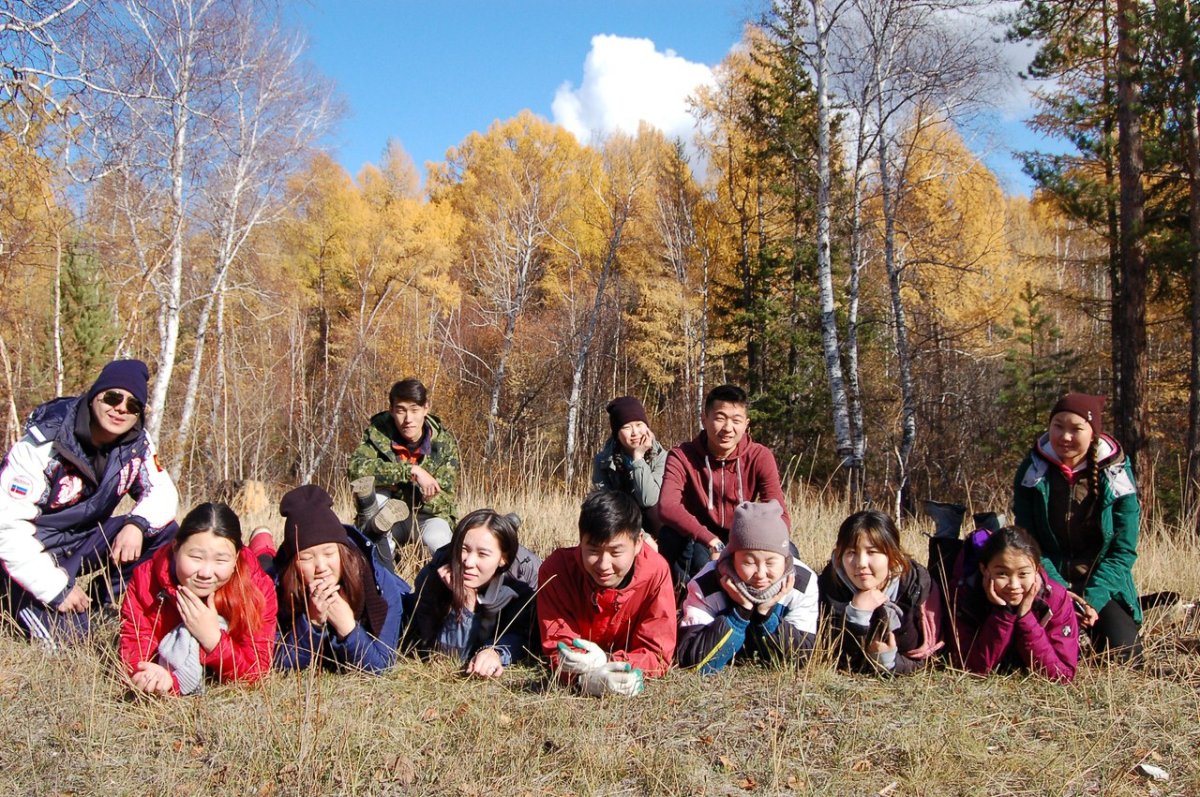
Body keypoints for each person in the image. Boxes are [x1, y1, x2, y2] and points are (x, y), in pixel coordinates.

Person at [0, 359, 179, 643]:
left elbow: (163, 493)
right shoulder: (44, 442)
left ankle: (98, 601)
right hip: (22, 554)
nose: (121, 408)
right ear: (95, 395)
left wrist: (137, 524)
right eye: (113, 397)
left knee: (166, 533)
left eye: (132, 405)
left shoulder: (136, 444)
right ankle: (19, 603)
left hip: (76, 544)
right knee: (73, 641)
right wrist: (56, 589)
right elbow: (7, 529)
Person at [1013, 393, 1142, 661]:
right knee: (1027, 653)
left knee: (1124, 655)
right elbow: (1028, 542)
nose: (1065, 437)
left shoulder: (1116, 472)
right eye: (1058, 426)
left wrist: (1092, 600)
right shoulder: (1033, 469)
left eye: (1076, 429)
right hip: (1049, 578)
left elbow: (1123, 551)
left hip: (1100, 583)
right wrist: (1061, 593)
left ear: (1093, 433)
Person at [119, 502, 276, 695]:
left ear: (236, 557)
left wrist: (212, 639)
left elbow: (256, 671)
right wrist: (155, 679)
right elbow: (133, 655)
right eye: (196, 557)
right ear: (176, 548)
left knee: (267, 560)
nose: (206, 573)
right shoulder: (145, 580)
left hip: (260, 567)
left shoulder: (259, 588)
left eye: (220, 560)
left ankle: (263, 542)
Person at [257, 484, 410, 675]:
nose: (321, 567)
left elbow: (381, 666)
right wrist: (311, 623)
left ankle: (373, 529)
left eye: (329, 553)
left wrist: (348, 627)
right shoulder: (275, 586)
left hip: (397, 587)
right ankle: (261, 542)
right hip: (271, 570)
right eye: (306, 558)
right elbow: (276, 663)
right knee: (262, 564)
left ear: (342, 552)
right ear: (293, 564)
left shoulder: (380, 584)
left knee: (384, 563)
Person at [538, 490, 676, 696]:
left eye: (615, 552)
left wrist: (613, 664)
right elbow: (557, 645)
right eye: (593, 551)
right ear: (580, 540)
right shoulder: (557, 570)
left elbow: (658, 652)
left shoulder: (656, 571)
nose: (604, 565)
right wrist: (584, 680)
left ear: (638, 542)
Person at [657, 384, 790, 588]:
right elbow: (667, 506)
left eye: (736, 420)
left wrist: (755, 544)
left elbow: (779, 513)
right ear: (705, 419)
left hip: (746, 533)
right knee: (674, 538)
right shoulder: (682, 455)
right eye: (720, 418)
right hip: (701, 537)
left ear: (746, 424)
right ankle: (680, 599)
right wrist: (711, 540)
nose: (728, 428)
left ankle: (770, 611)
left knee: (789, 553)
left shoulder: (759, 456)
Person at [677, 500, 819, 672]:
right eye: (749, 562)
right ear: (732, 556)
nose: (760, 573)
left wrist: (766, 616)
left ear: (785, 558)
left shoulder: (802, 583)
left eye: (770, 562)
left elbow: (799, 659)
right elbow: (693, 661)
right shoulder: (705, 585)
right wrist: (739, 614)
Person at [404, 509, 539, 678]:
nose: (468, 562)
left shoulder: (524, 580)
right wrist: (465, 603)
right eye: (464, 549)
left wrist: (494, 651)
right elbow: (444, 656)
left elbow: (524, 637)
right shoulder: (437, 570)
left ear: (503, 558)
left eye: (483, 554)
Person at [347, 378, 460, 568]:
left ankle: (437, 590)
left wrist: (410, 490)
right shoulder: (377, 434)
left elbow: (445, 499)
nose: (408, 419)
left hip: (426, 517)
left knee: (442, 545)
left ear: (426, 408)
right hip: (388, 518)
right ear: (391, 410)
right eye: (401, 410)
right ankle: (385, 570)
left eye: (414, 410)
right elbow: (355, 470)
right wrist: (411, 471)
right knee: (378, 498)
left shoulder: (444, 443)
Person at [945, 525, 1078, 682]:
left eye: (1023, 574)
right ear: (984, 570)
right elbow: (972, 669)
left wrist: (1026, 618)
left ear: (1036, 569)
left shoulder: (1055, 598)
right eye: (1002, 573)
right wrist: (1002, 614)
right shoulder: (967, 595)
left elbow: (1062, 675)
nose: (1014, 585)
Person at [818, 510, 942, 675]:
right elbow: (831, 657)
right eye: (851, 553)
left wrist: (889, 662)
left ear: (892, 555)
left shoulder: (916, 584)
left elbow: (930, 656)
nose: (861, 563)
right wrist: (856, 616)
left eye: (872, 552)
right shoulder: (831, 585)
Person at [592, 396, 666, 540]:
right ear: (616, 434)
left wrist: (638, 457)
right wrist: (643, 537)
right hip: (622, 527)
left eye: (639, 424)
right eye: (627, 427)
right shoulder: (603, 462)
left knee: (655, 510)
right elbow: (609, 508)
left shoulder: (662, 457)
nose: (635, 433)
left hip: (659, 530)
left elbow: (648, 500)